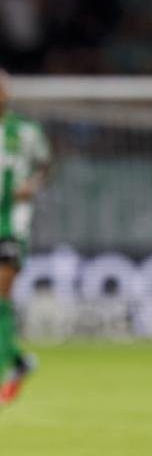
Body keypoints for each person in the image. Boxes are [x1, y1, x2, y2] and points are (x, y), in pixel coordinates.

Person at [0, 68, 50, 405]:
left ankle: (14, 363)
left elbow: (44, 164)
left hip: (11, 226)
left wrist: (30, 186)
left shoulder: (26, 131)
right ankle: (18, 361)